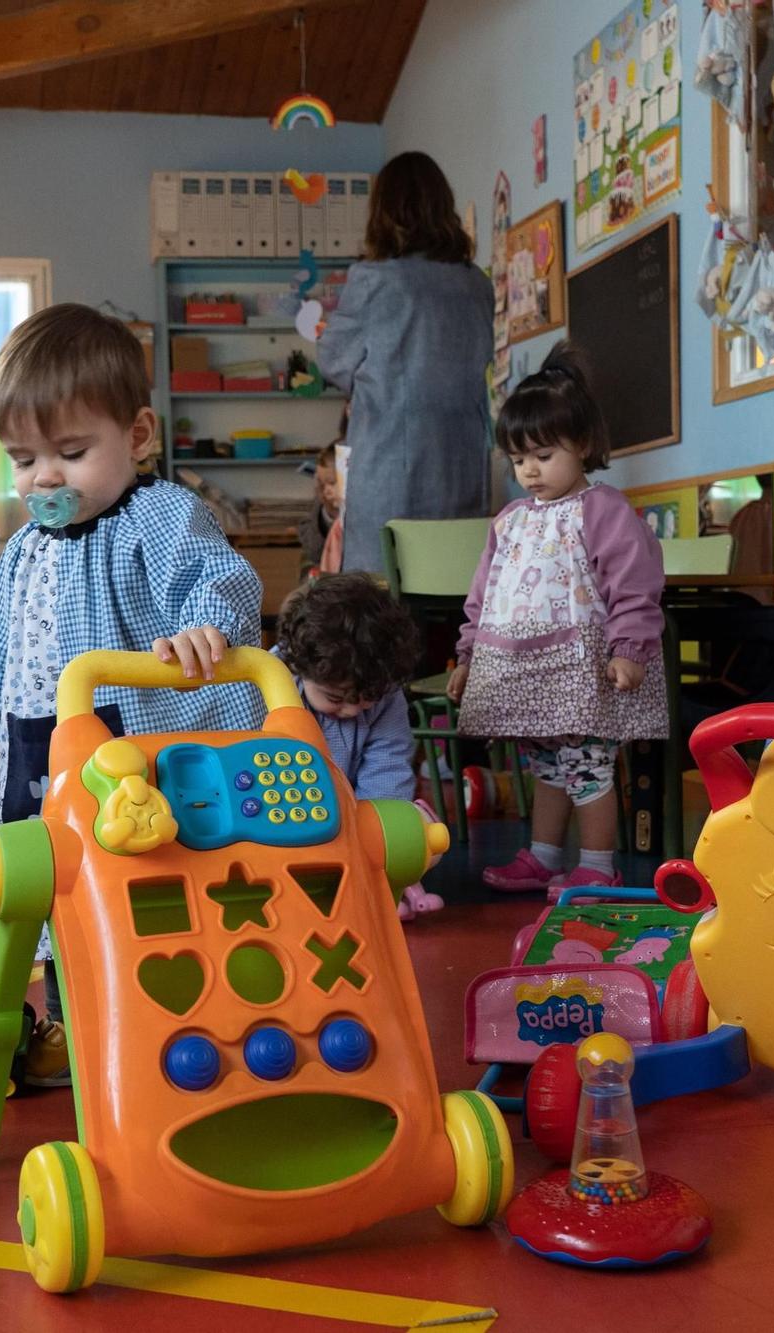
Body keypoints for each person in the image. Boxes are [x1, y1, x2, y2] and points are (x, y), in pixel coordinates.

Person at [0, 302, 264, 1086]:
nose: (44, 478)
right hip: (35, 745)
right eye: (23, 460)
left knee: (139, 886)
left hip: (127, 750)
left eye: (72, 451)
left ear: (139, 436)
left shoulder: (156, 516)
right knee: (52, 889)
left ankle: (166, 1028)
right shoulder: (21, 548)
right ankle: (77, 1032)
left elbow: (214, 578)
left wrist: (202, 628)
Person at [448, 344, 668, 895]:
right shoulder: (511, 520)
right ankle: (544, 857)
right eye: (519, 459)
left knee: (588, 766)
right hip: (524, 672)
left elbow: (634, 585)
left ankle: (596, 866)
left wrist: (630, 649)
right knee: (547, 764)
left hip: (583, 669)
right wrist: (468, 656)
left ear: (585, 446)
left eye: (543, 455)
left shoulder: (602, 509)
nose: (529, 470)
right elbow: (484, 594)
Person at [316, 151, 492, 575]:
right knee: (457, 603)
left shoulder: (375, 280)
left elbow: (332, 361)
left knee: (382, 610)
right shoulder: (477, 285)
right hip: (463, 469)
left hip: (390, 475)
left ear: (383, 212)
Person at [273, 573, 443, 919]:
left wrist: (375, 841)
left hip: (354, 814)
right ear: (298, 666)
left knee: (414, 830)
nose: (352, 709)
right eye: (336, 698)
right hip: (286, 813)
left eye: (367, 698)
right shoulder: (273, 682)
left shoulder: (386, 695)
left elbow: (388, 768)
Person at [296, 440, 344, 578]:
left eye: (332, 483)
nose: (326, 490)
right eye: (322, 483)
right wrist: (330, 512)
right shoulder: (322, 498)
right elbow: (313, 552)